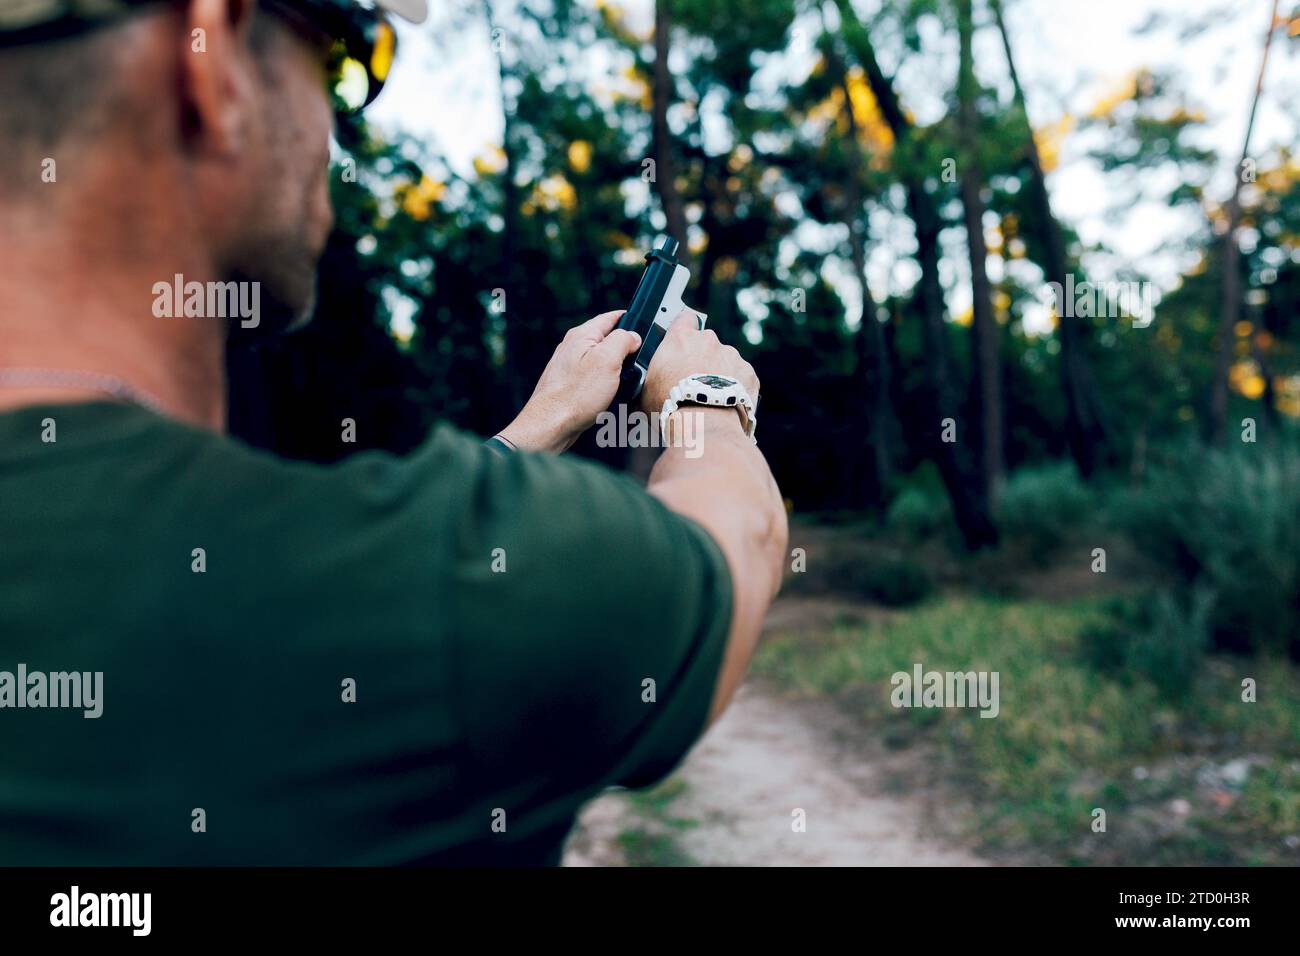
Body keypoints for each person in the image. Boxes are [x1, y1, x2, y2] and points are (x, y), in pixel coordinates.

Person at [0, 0, 787, 864]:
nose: (338, 123)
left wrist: (535, 426)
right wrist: (706, 394)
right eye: (342, 54)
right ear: (211, 60)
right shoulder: (433, 592)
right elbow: (735, 543)